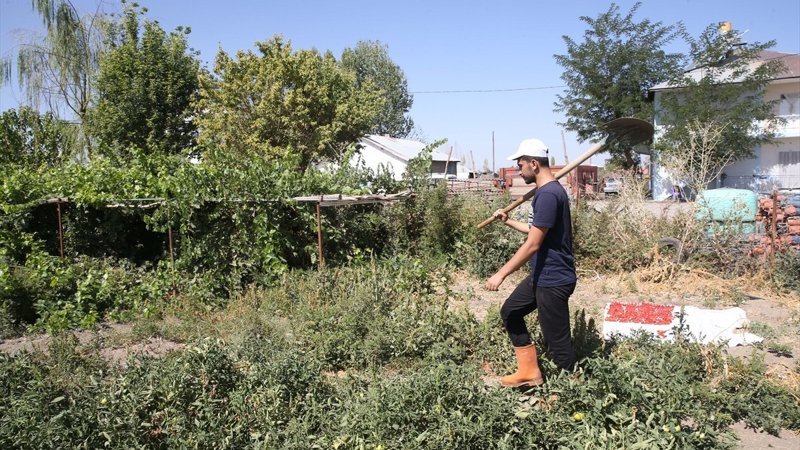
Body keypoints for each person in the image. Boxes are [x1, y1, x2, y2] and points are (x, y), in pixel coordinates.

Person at [485, 138, 577, 387]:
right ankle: (529, 371)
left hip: (554, 278)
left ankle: (571, 392)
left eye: (520, 165)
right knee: (511, 312)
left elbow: (533, 244)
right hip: (542, 275)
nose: (518, 170)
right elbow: (535, 230)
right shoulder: (545, 193)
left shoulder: (548, 195)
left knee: (557, 343)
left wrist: (501, 273)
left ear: (534, 164)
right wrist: (508, 221)